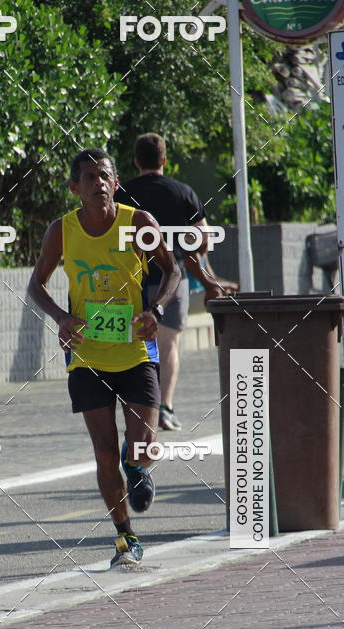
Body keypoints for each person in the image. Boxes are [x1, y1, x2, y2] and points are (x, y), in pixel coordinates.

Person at [27, 148, 180, 566]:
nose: (98, 182)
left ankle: (138, 468)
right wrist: (61, 317)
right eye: (89, 177)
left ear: (116, 183)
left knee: (144, 445)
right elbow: (35, 284)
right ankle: (125, 539)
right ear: (75, 187)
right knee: (104, 452)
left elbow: (172, 270)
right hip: (87, 357)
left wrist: (157, 310)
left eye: (105, 176)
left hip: (134, 351)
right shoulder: (62, 231)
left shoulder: (138, 223)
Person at [115, 132, 227, 431]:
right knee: (168, 346)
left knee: (134, 346)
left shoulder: (121, 193)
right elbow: (203, 240)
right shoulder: (183, 192)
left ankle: (137, 408)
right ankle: (164, 407)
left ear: (136, 161)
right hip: (171, 279)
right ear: (164, 160)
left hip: (131, 280)